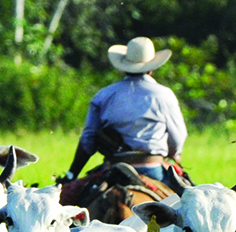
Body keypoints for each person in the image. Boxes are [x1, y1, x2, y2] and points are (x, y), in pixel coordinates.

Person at [68, 36, 188, 183]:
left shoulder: (104, 95)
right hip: (152, 167)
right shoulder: (164, 95)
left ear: (124, 67)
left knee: (71, 201)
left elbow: (88, 140)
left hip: (114, 167)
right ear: (151, 68)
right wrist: (174, 153)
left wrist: (71, 174)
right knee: (187, 201)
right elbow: (178, 136)